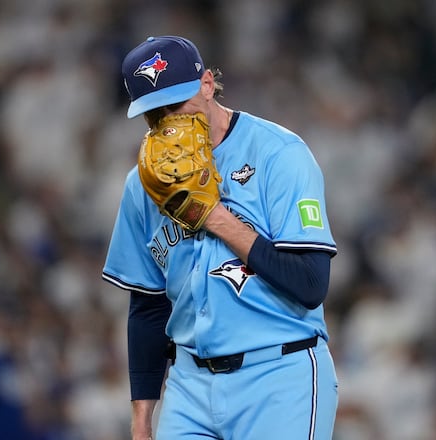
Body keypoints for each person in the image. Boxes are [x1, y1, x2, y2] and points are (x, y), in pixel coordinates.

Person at [102, 35, 338, 440]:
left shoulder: (278, 153)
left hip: (278, 375)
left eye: (176, 104)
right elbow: (147, 305)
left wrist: (212, 216)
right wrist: (142, 416)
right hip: (189, 385)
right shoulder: (142, 184)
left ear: (207, 85)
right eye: (154, 112)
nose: (167, 119)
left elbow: (310, 283)